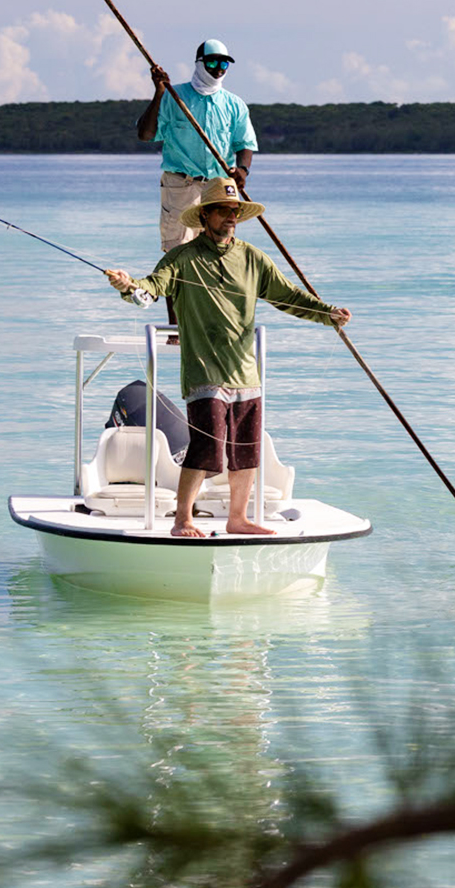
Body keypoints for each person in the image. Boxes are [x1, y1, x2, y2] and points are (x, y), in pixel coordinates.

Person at [101, 184, 351, 539]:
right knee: (207, 450)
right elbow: (150, 290)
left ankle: (238, 518)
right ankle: (182, 520)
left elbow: (288, 296)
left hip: (245, 372)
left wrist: (329, 314)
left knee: (247, 452)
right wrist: (127, 285)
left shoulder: (252, 258)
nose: (231, 217)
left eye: (235, 211)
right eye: (223, 210)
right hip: (205, 373)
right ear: (205, 215)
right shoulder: (183, 258)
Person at [138, 37, 257, 254]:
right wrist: (159, 92)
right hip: (181, 185)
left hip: (219, 187)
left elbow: (245, 143)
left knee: (220, 250)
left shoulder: (235, 104)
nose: (218, 70)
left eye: (224, 64)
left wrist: (242, 170)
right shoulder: (174, 96)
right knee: (178, 252)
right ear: (199, 63)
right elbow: (145, 134)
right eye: (212, 63)